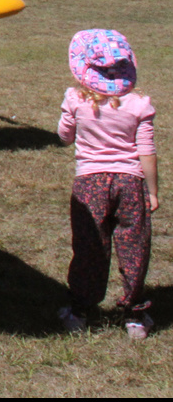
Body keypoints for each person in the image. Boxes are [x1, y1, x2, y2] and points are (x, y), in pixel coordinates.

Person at [57, 29, 159, 338]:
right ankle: (135, 316)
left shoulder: (75, 99)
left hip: (90, 183)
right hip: (131, 183)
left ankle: (80, 311)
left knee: (90, 247)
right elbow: (146, 151)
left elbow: (64, 136)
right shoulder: (140, 105)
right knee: (134, 246)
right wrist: (152, 191)